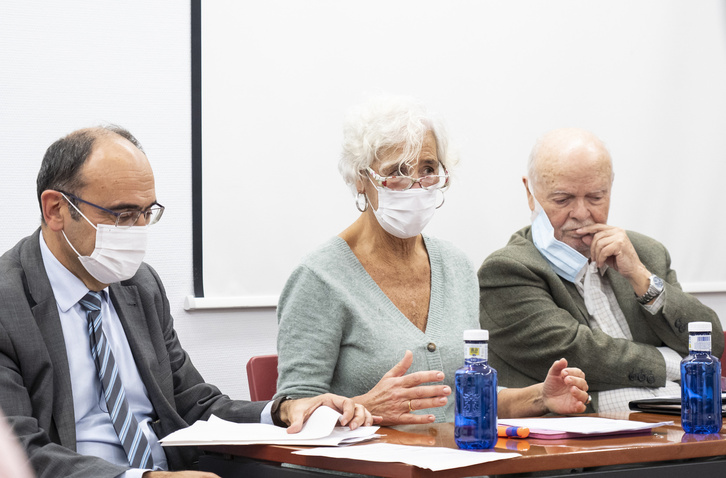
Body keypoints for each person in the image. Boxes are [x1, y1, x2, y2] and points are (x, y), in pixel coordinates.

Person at [0, 126, 374, 478]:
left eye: (147, 213)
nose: (138, 230)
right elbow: (18, 450)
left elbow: (193, 402)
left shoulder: (139, 284)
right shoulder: (7, 302)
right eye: (123, 215)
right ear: (55, 210)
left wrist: (282, 410)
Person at [275, 96, 590, 425]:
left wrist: (542, 396)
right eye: (396, 172)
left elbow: (465, 398)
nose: (415, 186)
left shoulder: (456, 266)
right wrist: (366, 408)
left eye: (427, 169)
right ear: (360, 178)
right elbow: (294, 408)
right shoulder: (320, 277)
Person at [478, 127, 724, 413]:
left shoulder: (645, 252)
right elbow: (578, 353)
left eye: (596, 197)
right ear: (530, 193)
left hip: (674, 429)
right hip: (574, 444)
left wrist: (642, 278)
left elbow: (711, 342)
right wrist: (679, 363)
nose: (581, 213)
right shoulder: (506, 271)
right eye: (563, 199)